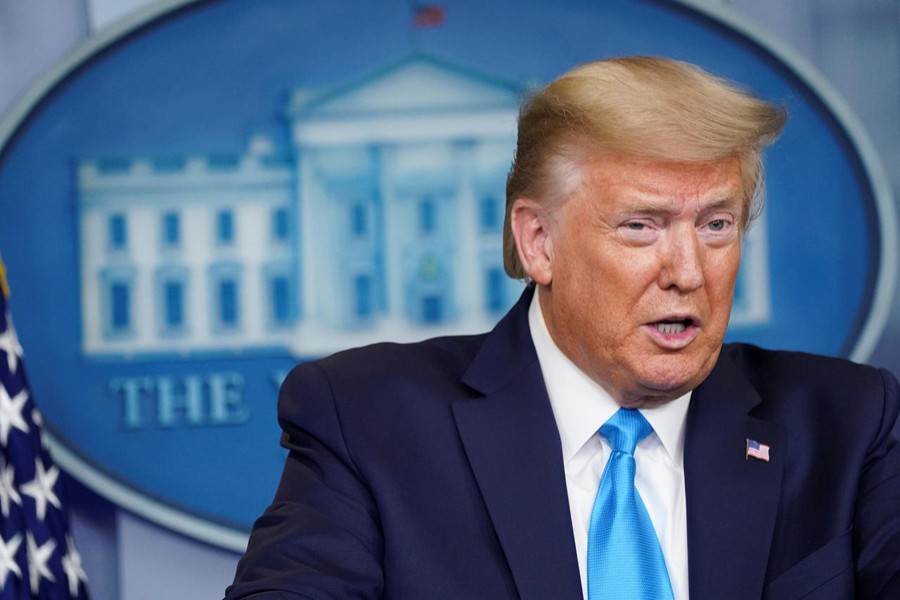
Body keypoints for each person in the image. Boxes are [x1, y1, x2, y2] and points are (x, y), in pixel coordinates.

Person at [224, 57, 900, 599]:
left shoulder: (849, 423)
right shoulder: (368, 423)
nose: (689, 272)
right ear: (538, 243)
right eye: (641, 226)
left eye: (716, 225)